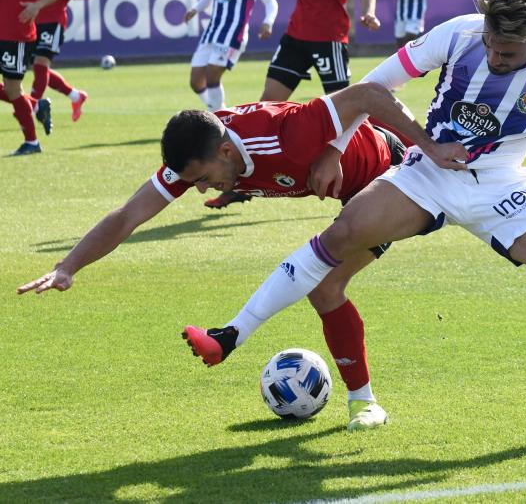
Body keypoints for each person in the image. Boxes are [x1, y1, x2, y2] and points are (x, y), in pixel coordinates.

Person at [185, 0, 526, 433]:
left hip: (501, 185)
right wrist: (336, 147)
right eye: (491, 41)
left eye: (508, 52)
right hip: (426, 172)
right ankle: (230, 335)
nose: (495, 56)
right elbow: (375, 86)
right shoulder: (461, 32)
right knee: (340, 236)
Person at [17, 84, 422, 431]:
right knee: (325, 287)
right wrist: (67, 266)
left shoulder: (286, 132)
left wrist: (427, 146)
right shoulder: (203, 150)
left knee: (325, 286)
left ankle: (362, 401)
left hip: (388, 175)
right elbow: (128, 217)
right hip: (354, 192)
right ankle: (362, 401)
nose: (197, 190)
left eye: (203, 179)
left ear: (226, 151)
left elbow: (368, 95)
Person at [205, 0, 379, 210]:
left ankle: (372, 173)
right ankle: (241, 185)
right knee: (265, 106)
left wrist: (368, 10)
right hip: (297, 35)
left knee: (351, 112)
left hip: (329, 37)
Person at [0, 0, 61, 155]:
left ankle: (32, 141)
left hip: (18, 34)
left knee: (13, 88)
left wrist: (37, 5)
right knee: (14, 90)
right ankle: (36, 106)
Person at [29, 0, 94, 133]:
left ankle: (32, 105)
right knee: (40, 67)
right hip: (33, 21)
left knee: (40, 64)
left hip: (54, 21)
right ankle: (75, 95)